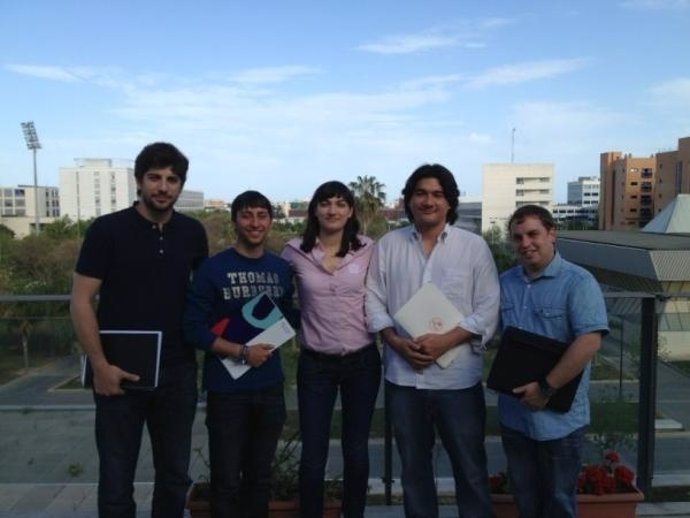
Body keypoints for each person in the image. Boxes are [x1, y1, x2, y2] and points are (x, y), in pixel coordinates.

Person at [70, 142, 209, 518]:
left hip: (179, 374)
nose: (163, 187)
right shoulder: (107, 230)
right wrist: (99, 365)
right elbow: (80, 300)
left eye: (172, 179)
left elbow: (203, 300)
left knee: (174, 479)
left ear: (180, 185)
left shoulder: (193, 233)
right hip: (119, 374)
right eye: (155, 177)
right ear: (138, 180)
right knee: (116, 481)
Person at [365, 164, 499, 518]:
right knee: (414, 471)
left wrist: (445, 341)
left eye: (437, 194)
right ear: (408, 200)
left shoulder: (473, 247)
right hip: (403, 379)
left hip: (458, 381)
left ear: (450, 202)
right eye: (421, 193)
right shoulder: (389, 245)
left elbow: (488, 307)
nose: (428, 201)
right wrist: (393, 341)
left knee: (470, 468)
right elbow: (373, 298)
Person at [183, 190, 295, 518]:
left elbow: (288, 318)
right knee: (227, 481)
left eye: (262, 216)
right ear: (235, 221)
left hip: (270, 387)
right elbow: (193, 329)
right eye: (247, 215)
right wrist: (242, 352)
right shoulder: (212, 269)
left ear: (271, 222)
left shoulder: (281, 269)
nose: (255, 223)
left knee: (260, 479)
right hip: (227, 392)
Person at [497, 204, 609, 518]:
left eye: (533, 234)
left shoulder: (578, 282)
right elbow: (487, 331)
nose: (525, 243)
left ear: (551, 233)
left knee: (559, 503)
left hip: (559, 420)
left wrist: (545, 388)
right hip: (515, 417)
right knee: (525, 499)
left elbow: (589, 341)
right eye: (517, 237)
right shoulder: (505, 282)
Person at [281, 181, 381, 518]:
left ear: (350, 210)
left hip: (363, 362)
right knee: (313, 454)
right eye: (325, 203)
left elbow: (383, 295)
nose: (333, 210)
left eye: (340, 203)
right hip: (315, 365)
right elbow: (278, 301)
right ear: (315, 210)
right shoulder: (294, 251)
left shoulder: (368, 248)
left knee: (356, 450)